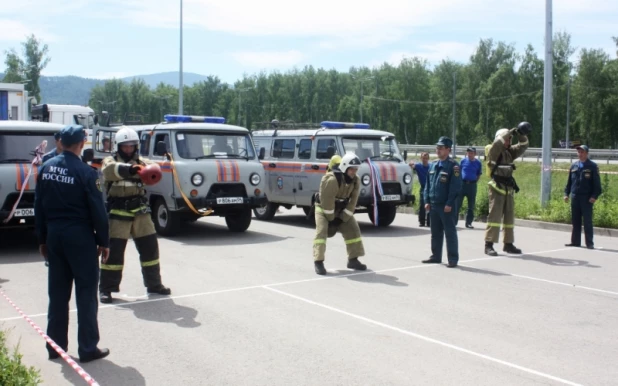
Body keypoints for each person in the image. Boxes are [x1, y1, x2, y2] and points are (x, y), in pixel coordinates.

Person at [34, 124, 110, 363]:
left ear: (61, 143)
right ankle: (88, 348)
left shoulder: (45, 168)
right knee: (86, 293)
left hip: (55, 236)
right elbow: (98, 210)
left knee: (57, 294)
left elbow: (39, 208)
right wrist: (104, 241)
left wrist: (42, 239)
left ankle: (55, 348)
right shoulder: (86, 172)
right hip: (80, 237)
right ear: (81, 144)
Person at [99, 127, 171, 304]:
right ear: (118, 146)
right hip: (118, 212)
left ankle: (154, 284)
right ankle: (107, 289)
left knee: (150, 249)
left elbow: (154, 169)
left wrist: (147, 169)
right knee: (113, 254)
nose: (129, 149)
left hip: (140, 212)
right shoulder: (110, 161)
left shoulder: (142, 161)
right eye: (125, 146)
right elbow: (108, 171)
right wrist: (131, 169)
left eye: (132, 146)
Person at [313, 152, 366, 275]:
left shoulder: (356, 181)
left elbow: (353, 202)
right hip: (323, 209)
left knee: (353, 229)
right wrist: (332, 219)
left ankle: (353, 259)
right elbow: (327, 203)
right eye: (351, 169)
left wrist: (343, 217)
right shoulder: (331, 180)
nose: (354, 172)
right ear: (345, 167)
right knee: (321, 233)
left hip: (340, 211)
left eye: (356, 169)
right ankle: (318, 262)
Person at [484, 122, 531, 256]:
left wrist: (521, 135)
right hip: (497, 187)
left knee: (509, 218)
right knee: (495, 216)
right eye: (507, 139)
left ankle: (508, 244)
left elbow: (523, 146)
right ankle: (489, 244)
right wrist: (509, 132)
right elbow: (497, 144)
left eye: (510, 139)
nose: (509, 141)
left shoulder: (510, 152)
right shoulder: (493, 151)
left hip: (508, 188)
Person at [422, 136, 462, 268]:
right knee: (435, 232)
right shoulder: (433, 164)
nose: (438, 150)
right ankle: (436, 256)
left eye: (441, 148)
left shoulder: (453, 166)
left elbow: (455, 187)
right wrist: (426, 200)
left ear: (448, 150)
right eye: (437, 147)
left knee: (450, 232)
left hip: (446, 206)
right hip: (433, 204)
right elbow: (427, 184)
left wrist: (449, 203)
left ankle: (452, 258)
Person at [564, 145, 602, 249]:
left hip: (586, 198)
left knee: (587, 221)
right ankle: (575, 241)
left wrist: (594, 196)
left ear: (587, 153)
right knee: (575, 220)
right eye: (579, 152)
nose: (580, 154)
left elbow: (597, 185)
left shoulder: (592, 166)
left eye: (582, 152)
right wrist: (566, 194)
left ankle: (589, 243)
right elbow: (569, 182)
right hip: (575, 196)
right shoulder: (574, 166)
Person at [457, 147, 482, 228]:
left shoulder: (478, 163)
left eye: (471, 153)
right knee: (457, 203)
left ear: (475, 154)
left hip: (472, 185)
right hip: (462, 184)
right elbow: (458, 172)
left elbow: (478, 174)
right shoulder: (463, 161)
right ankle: (454, 222)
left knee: (471, 205)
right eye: (468, 153)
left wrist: (473, 181)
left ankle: (468, 223)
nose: (470, 154)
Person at [408, 152, 430, 227]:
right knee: (422, 205)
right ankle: (422, 221)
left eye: (426, 158)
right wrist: (411, 163)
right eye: (423, 158)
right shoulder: (419, 166)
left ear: (428, 159)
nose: (425, 159)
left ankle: (429, 222)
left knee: (430, 204)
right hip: (423, 187)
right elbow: (411, 165)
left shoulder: (431, 167)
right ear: (421, 158)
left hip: (430, 187)